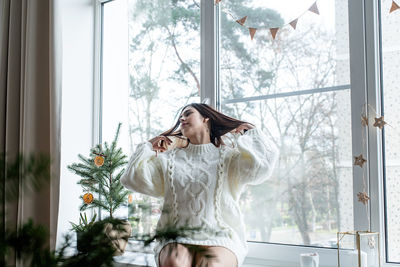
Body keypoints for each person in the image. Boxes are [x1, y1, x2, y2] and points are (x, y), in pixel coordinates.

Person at [121, 103, 279, 267]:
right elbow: (131, 179)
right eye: (180, 116)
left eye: (188, 113)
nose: (182, 118)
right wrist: (147, 147)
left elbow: (262, 167)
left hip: (221, 236)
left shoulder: (229, 158)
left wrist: (252, 133)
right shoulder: (167, 160)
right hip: (175, 237)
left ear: (206, 118)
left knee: (209, 264)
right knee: (175, 262)